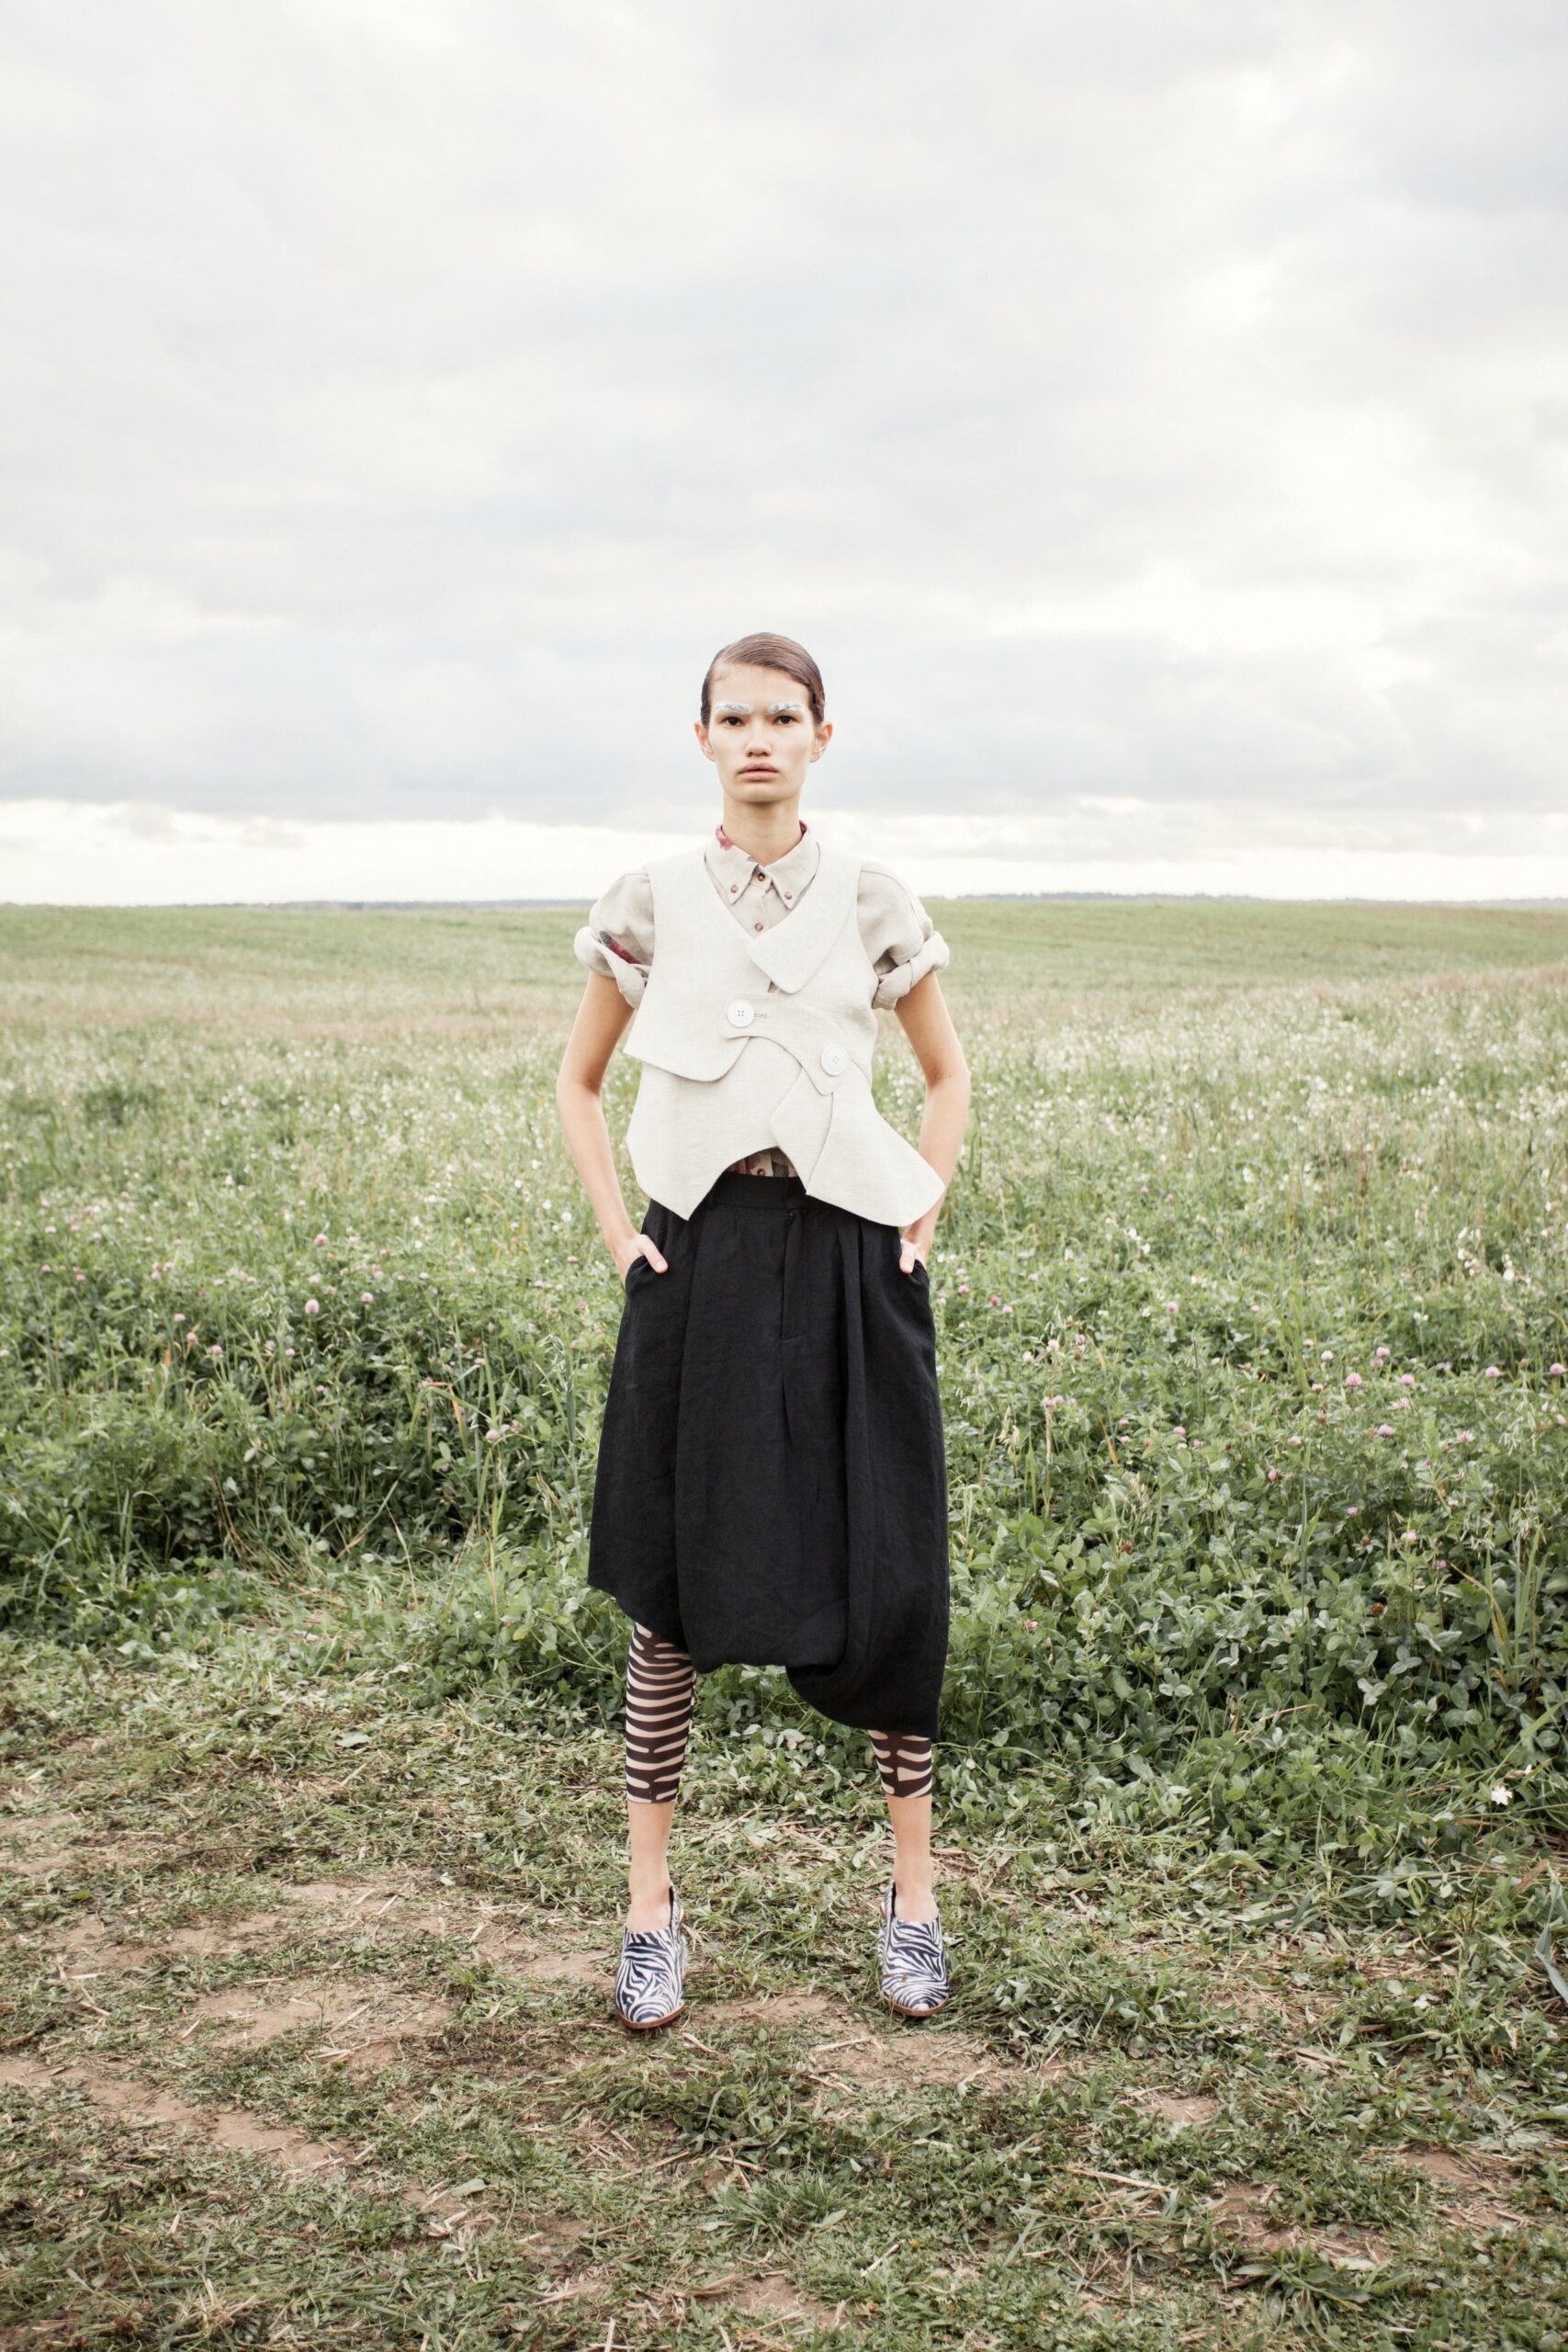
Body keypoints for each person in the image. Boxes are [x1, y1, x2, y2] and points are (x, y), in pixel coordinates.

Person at [556, 631, 970, 2030]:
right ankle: (648, 1911)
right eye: (734, 717)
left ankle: (913, 1904)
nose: (758, 740)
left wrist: (919, 1217)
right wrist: (625, 1238)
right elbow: (577, 1083)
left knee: (891, 1569)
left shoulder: (870, 898)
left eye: (783, 718)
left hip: (854, 1251)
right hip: (704, 1256)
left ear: (820, 739)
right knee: (671, 1588)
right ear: (703, 737)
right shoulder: (653, 898)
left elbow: (944, 1072)